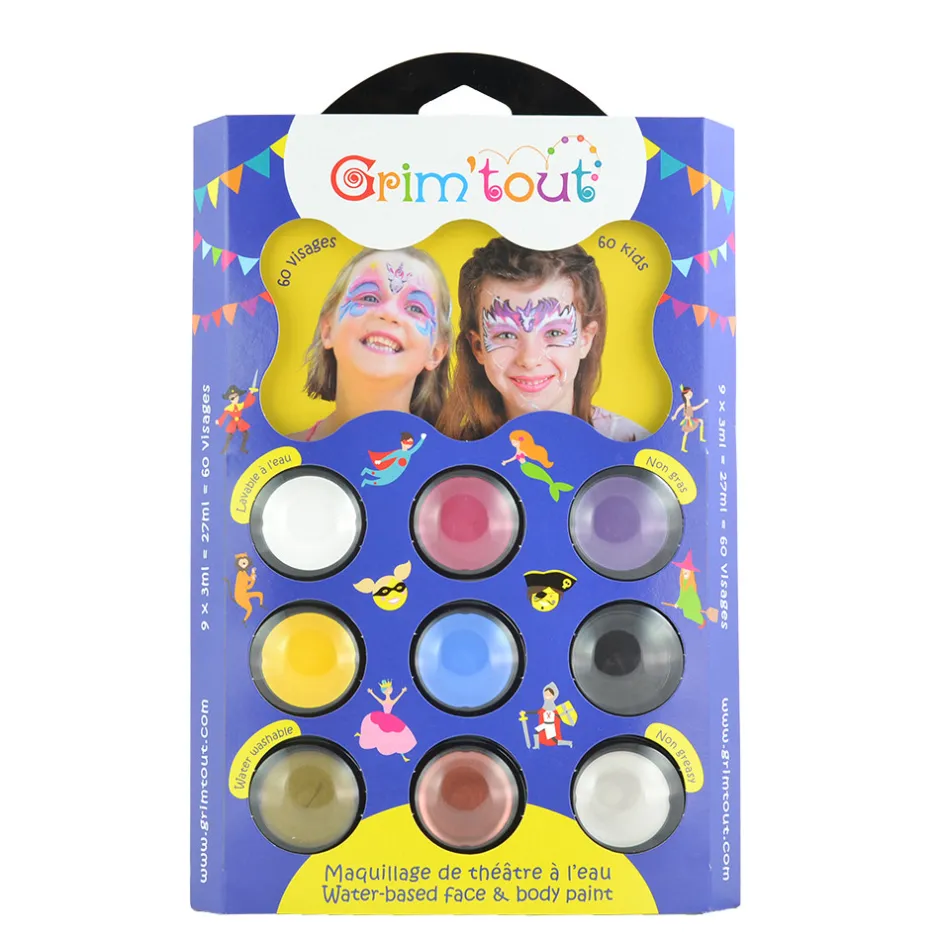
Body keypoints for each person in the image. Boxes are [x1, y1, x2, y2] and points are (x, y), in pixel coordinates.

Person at [437, 237, 649, 442]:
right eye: (506, 335)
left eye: (554, 333)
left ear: (585, 339)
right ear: (478, 347)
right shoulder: (452, 452)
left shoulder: (630, 443)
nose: (529, 359)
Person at [291, 247, 452, 442]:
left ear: (435, 353)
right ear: (327, 329)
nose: (389, 313)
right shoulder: (281, 453)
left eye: (416, 308)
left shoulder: (449, 458)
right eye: (368, 298)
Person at [356, 680, 417, 761]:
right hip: (384, 719)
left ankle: (403, 757)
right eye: (389, 689)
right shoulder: (385, 701)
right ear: (385, 691)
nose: (390, 690)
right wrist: (371, 693)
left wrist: (402, 692)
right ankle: (362, 736)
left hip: (390, 720)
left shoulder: (391, 701)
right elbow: (378, 699)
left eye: (390, 689)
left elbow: (397, 698)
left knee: (396, 737)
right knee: (388, 736)